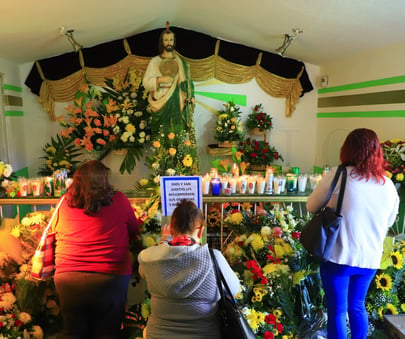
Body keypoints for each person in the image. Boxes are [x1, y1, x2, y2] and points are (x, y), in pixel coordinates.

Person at [306, 128, 399, 339]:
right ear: (377, 152)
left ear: (347, 149)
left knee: (338, 311)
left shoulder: (340, 176)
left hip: (339, 255)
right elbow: (389, 221)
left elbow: (311, 206)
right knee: (357, 306)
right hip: (370, 260)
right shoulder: (388, 185)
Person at [53, 160, 140, 339]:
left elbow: (56, 230)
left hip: (68, 278)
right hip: (110, 278)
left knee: (72, 333)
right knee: (108, 333)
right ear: (104, 180)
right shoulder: (119, 200)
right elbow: (134, 230)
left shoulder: (64, 202)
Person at [138, 199, 241, 339]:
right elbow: (234, 289)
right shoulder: (213, 258)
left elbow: (143, 273)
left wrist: (162, 242)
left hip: (158, 334)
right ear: (200, 232)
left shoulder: (149, 257)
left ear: (171, 228)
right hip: (205, 335)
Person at [142, 25, 195, 137]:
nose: (169, 42)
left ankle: (178, 152)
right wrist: (160, 80)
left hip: (178, 100)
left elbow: (188, 83)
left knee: (177, 131)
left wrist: (191, 96)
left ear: (174, 41)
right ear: (162, 42)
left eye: (171, 39)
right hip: (160, 100)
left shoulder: (180, 62)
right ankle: (161, 154)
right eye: (166, 40)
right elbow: (146, 83)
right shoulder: (155, 61)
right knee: (161, 134)